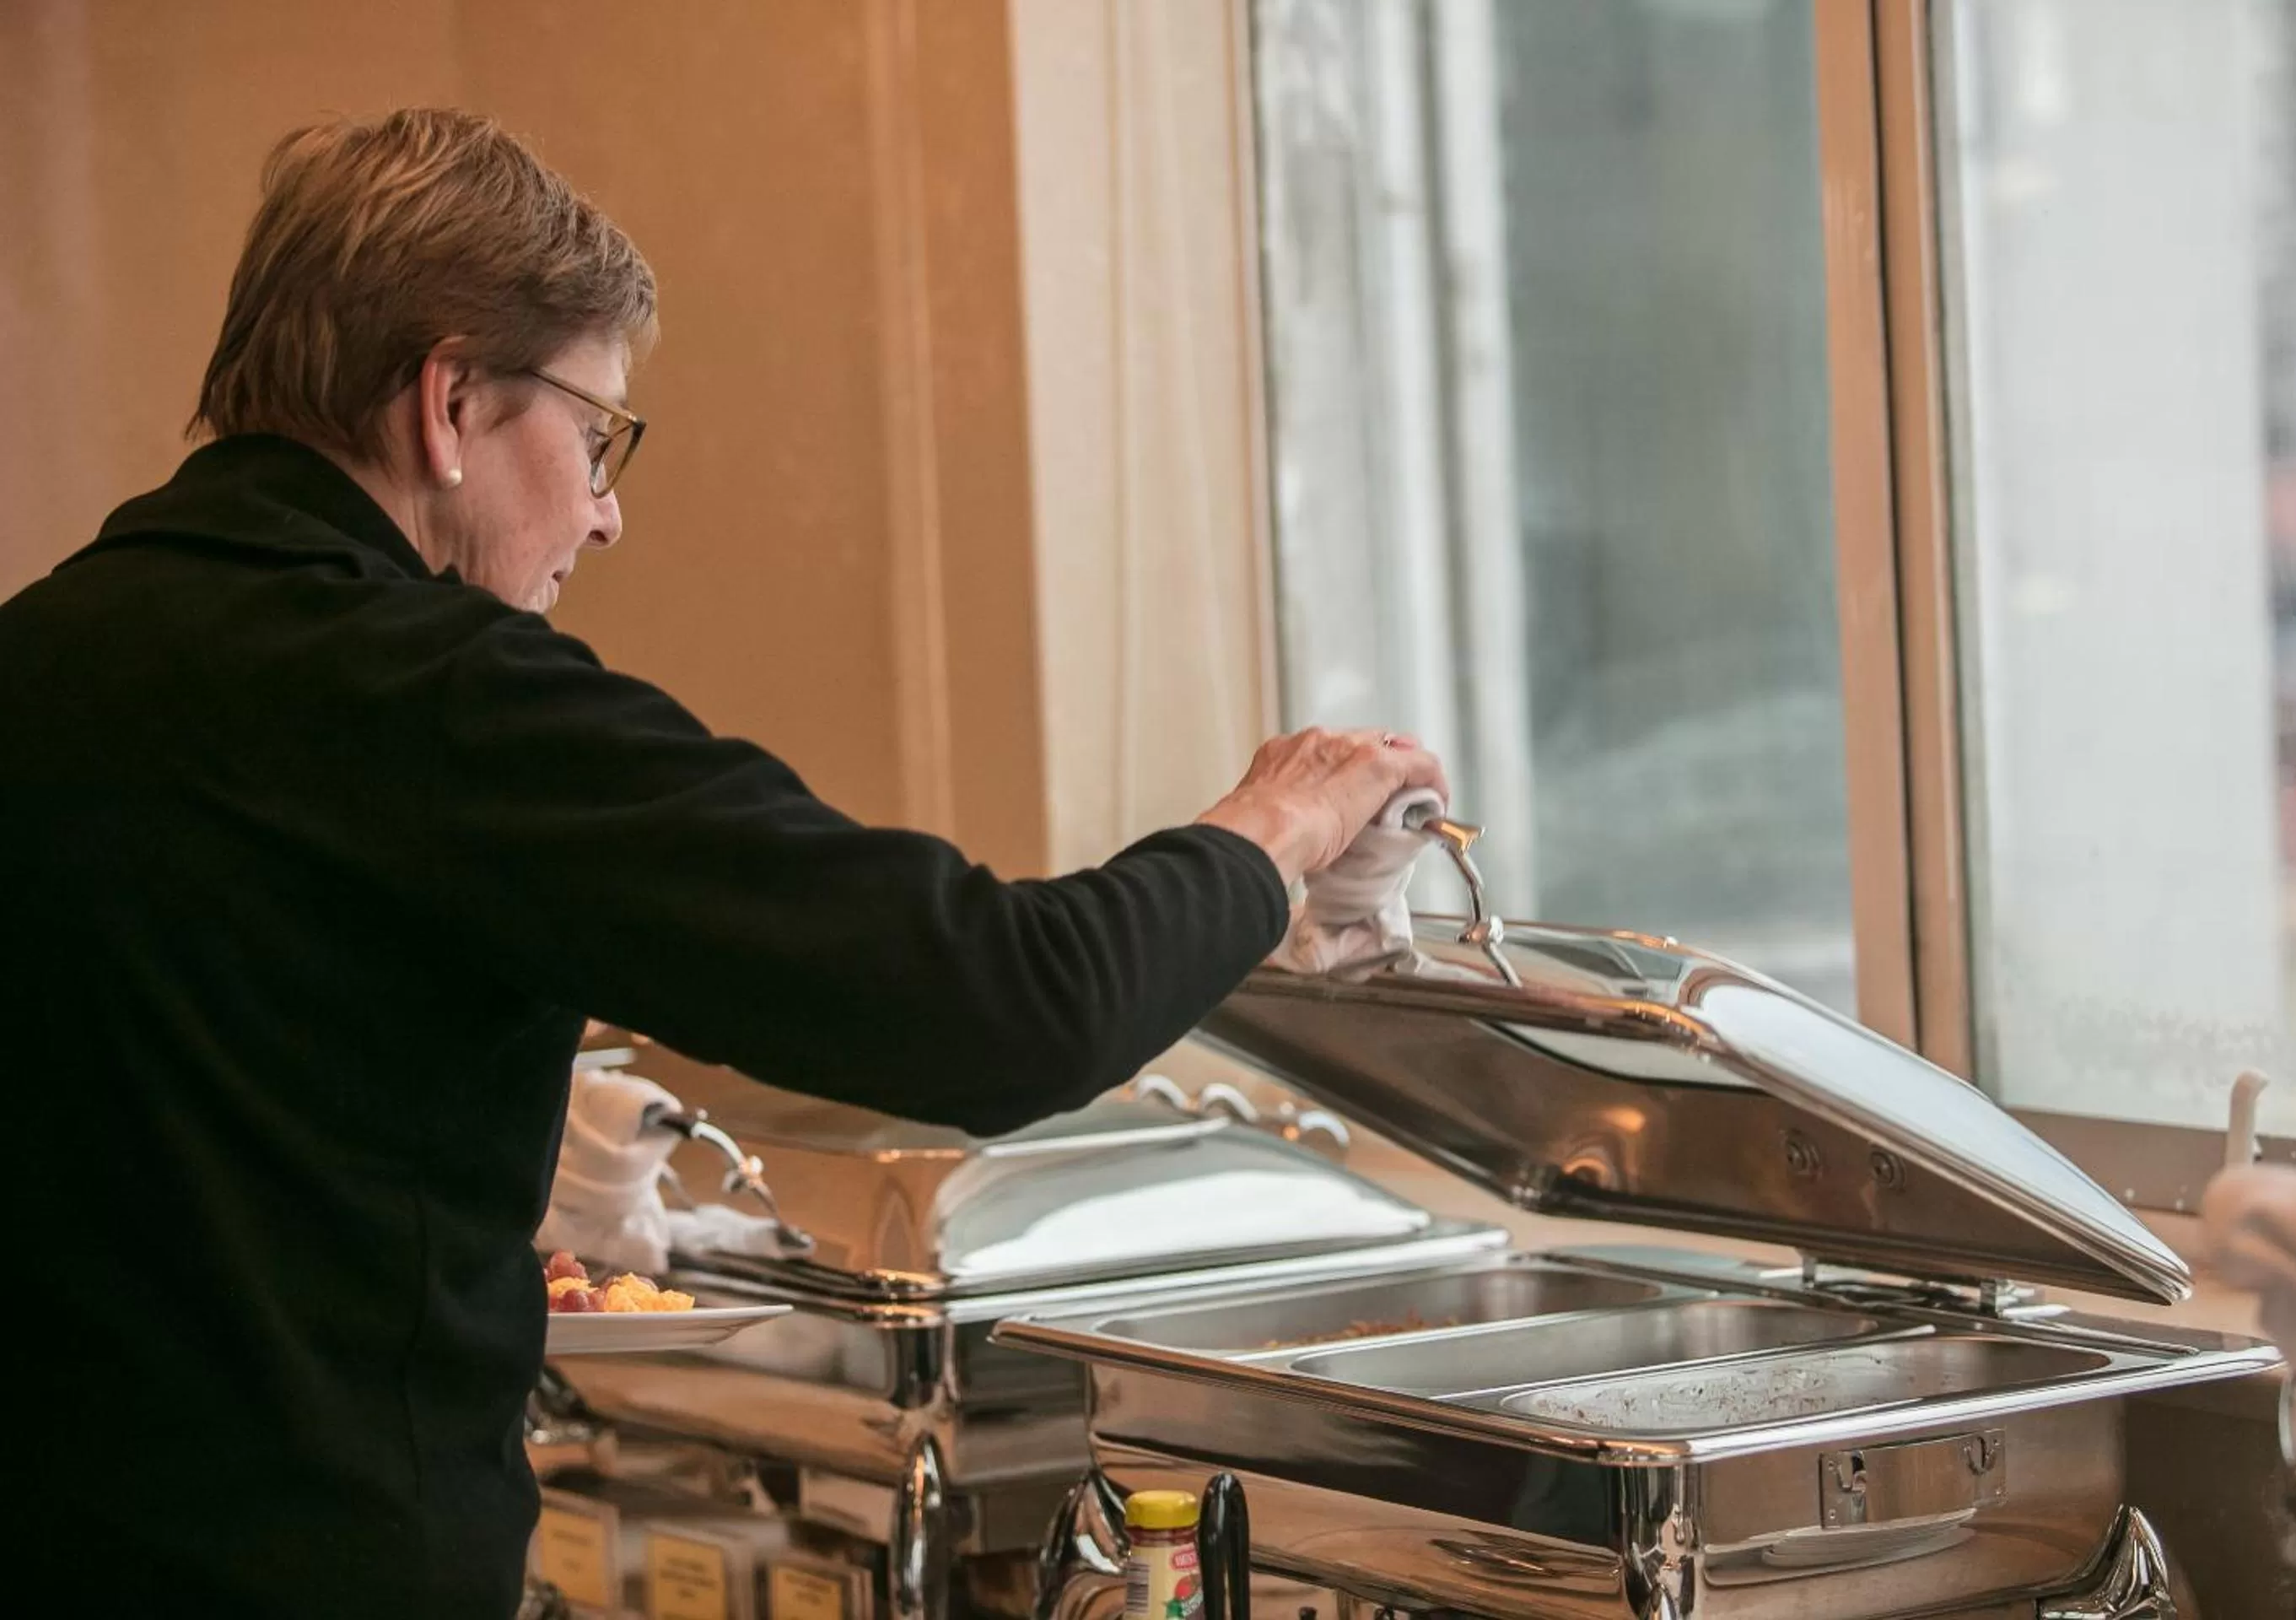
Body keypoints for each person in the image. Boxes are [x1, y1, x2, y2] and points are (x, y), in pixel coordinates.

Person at [0, 108, 1443, 1617]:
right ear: (447, 404)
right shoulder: (436, 701)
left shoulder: (43, 655)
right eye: (594, 432)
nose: (607, 511)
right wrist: (1275, 830)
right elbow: (1007, 1003)